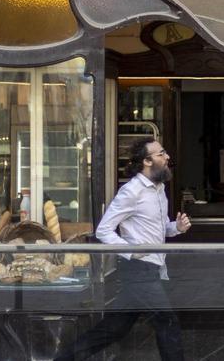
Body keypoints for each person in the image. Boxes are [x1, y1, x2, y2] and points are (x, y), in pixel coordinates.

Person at [56, 137, 191, 361]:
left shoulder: (159, 189)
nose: (167, 157)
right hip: (138, 270)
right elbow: (104, 230)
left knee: (115, 329)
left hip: (151, 269)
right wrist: (130, 250)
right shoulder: (131, 191)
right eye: (161, 154)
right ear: (147, 161)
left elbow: (157, 230)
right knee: (167, 323)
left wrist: (175, 227)